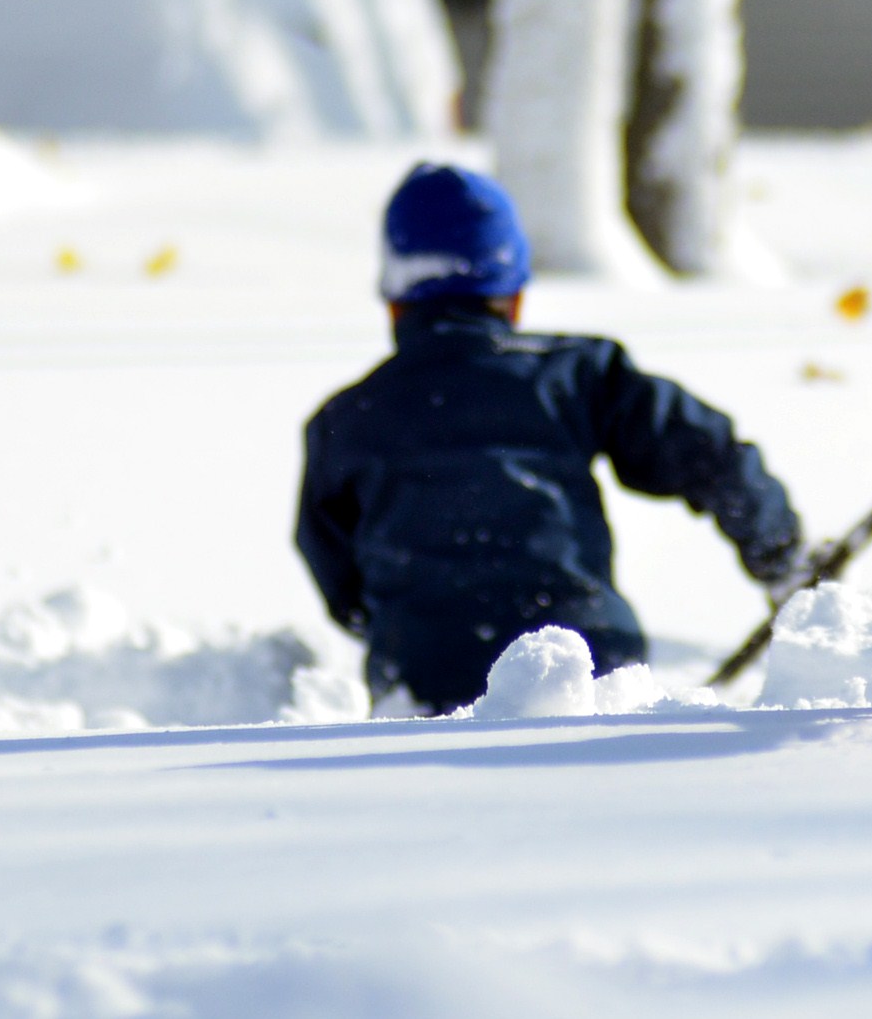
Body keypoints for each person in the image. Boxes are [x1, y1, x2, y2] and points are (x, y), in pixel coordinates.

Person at [296, 163, 802, 713]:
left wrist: (397, 626)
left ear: (395, 299)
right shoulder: (575, 377)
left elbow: (331, 562)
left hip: (422, 685)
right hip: (587, 670)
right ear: (513, 294)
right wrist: (778, 550)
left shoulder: (347, 420)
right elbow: (706, 453)